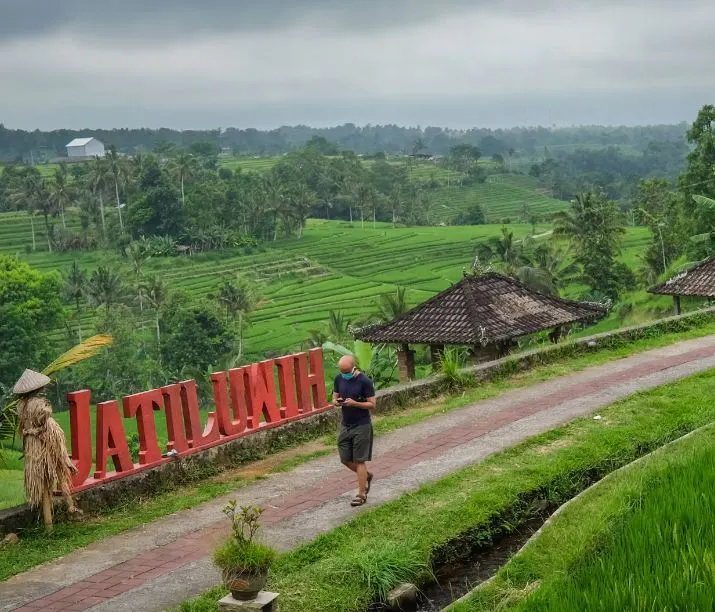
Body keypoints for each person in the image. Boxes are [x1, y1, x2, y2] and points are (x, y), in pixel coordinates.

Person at [13, 369, 81, 528]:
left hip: (32, 447)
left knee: (42, 486)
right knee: (59, 470)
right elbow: (49, 424)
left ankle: (48, 526)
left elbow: (24, 428)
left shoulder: (21, 406)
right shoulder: (40, 405)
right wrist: (62, 452)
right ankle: (70, 507)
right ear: (38, 388)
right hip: (45, 445)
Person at [332, 355, 377, 507]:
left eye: (346, 371)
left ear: (353, 367)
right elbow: (335, 394)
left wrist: (355, 403)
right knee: (345, 458)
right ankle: (366, 476)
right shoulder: (339, 379)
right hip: (346, 424)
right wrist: (335, 401)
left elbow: (372, 404)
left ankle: (361, 493)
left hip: (362, 425)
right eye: (342, 371)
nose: (344, 373)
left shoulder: (364, 381)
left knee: (359, 460)